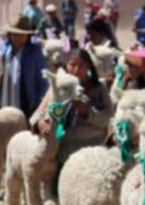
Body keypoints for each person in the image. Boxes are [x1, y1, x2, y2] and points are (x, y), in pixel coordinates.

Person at [32, 48, 112, 181]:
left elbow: (109, 119)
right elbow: (36, 116)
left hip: (92, 150)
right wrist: (39, 124)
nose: (76, 69)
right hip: (64, 151)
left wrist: (87, 111)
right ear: (66, 65)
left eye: (81, 66)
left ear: (88, 66)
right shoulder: (58, 87)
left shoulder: (99, 88)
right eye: (72, 65)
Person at [0, 15, 48, 120]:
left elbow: (42, 80)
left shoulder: (35, 52)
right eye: (14, 34)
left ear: (27, 36)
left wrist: (39, 104)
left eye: (21, 35)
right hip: (3, 101)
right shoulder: (2, 50)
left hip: (26, 102)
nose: (17, 37)